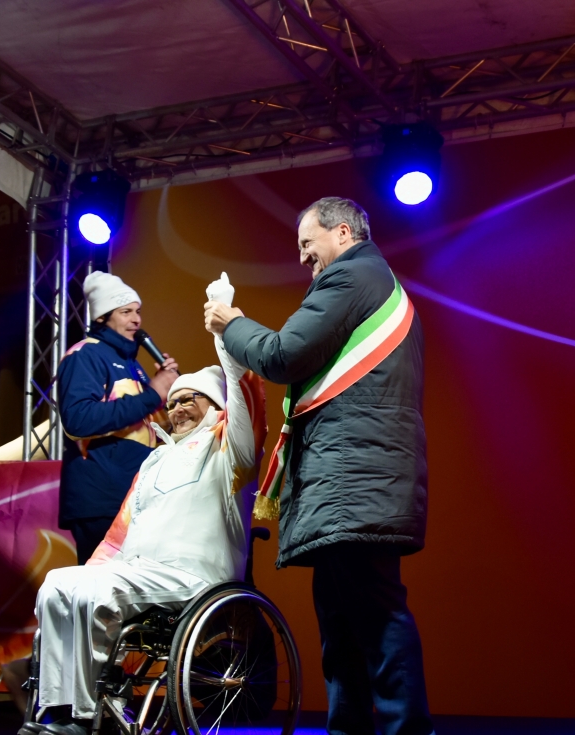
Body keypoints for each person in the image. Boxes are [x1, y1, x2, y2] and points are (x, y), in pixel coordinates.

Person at [204, 197, 433, 735]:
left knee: (374, 623)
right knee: (345, 629)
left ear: (345, 233)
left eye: (309, 245)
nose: (306, 260)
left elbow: (283, 355)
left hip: (353, 481)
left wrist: (232, 323)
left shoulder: (351, 280)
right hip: (356, 480)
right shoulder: (377, 285)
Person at [22, 328, 267, 735]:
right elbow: (116, 537)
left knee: (98, 591)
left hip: (196, 578)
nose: (179, 407)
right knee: (57, 585)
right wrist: (93, 570)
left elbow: (244, 402)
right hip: (140, 571)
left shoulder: (229, 448)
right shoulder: (153, 461)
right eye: (172, 401)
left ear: (217, 406)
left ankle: (84, 719)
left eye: (192, 398)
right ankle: (58, 710)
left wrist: (225, 336)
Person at [57, 271, 179, 563]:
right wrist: (152, 394)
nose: (136, 320)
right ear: (101, 318)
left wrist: (171, 393)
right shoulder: (85, 355)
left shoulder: (134, 366)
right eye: (126, 312)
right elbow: (78, 419)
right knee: (104, 596)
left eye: (137, 312)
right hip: (102, 500)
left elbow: (146, 429)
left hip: (133, 497)